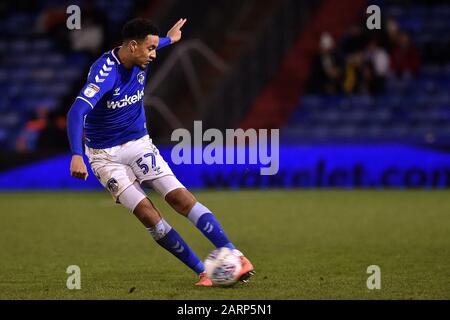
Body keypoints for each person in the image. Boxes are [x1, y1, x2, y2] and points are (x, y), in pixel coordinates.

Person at [66, 18, 254, 286]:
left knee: (179, 198)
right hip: (103, 156)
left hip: (139, 143)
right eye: (150, 48)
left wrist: (170, 39)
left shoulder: (139, 56)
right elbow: (76, 111)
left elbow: (155, 43)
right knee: (148, 215)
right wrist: (76, 154)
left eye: (156, 48)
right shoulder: (105, 73)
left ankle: (236, 254)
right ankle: (203, 271)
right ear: (132, 46)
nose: (154, 55)